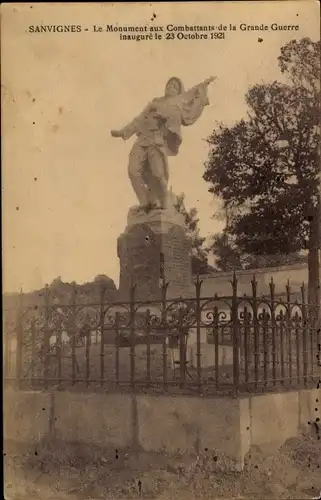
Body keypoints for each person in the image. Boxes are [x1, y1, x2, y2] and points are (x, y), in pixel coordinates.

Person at [111, 76, 216, 211]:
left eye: (175, 85)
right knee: (133, 170)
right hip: (143, 139)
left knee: (158, 175)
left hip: (157, 141)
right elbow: (139, 119)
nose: (171, 86)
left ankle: (165, 201)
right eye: (169, 83)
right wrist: (123, 132)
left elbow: (191, 98)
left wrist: (203, 85)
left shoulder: (177, 104)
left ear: (179, 91)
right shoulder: (155, 102)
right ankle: (145, 203)